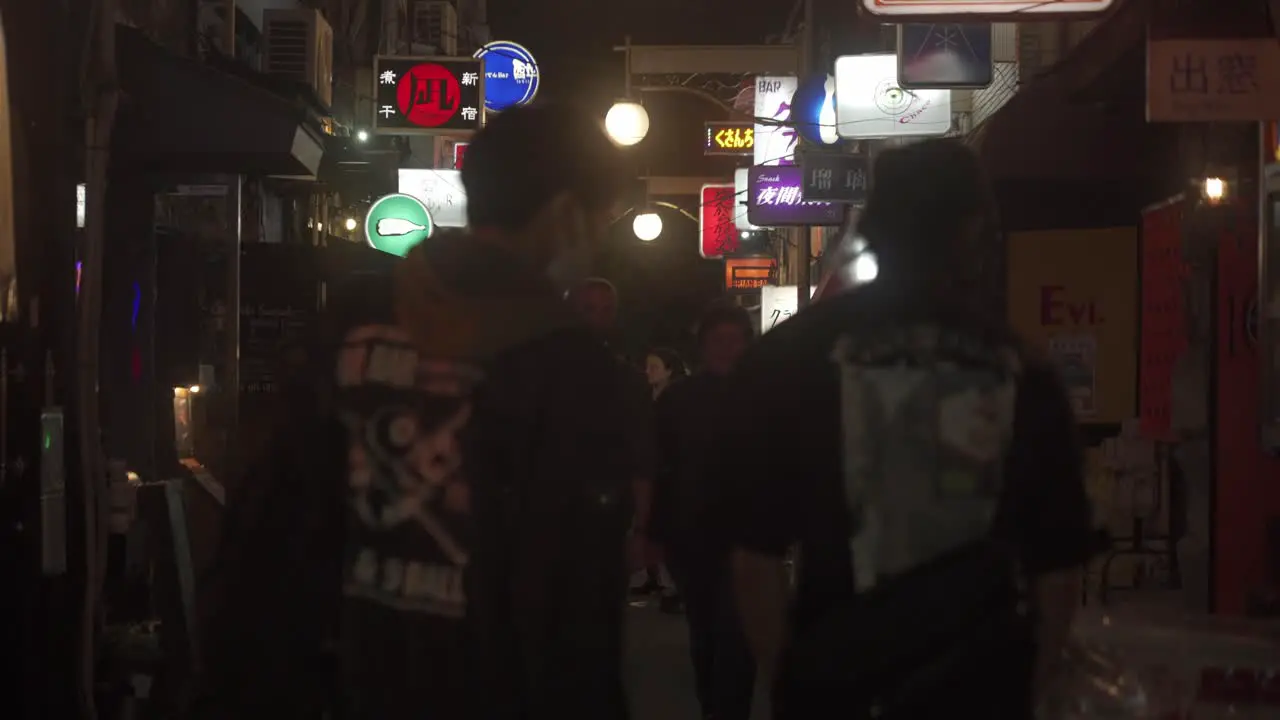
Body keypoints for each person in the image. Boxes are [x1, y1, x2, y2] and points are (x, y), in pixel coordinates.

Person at [195, 103, 636, 720]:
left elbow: (266, 518)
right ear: (565, 216)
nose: (596, 245)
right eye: (598, 222)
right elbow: (572, 609)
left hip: (331, 683)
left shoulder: (355, 313)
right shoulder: (570, 366)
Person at [723, 139, 1101, 718]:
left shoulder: (789, 357)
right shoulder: (1023, 368)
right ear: (975, 231)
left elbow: (755, 558)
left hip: (839, 678)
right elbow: (1058, 564)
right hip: (981, 685)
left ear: (870, 222)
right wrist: (1032, 684)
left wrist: (788, 682)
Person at [652, 302, 756, 720]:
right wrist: (653, 530)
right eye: (718, 341)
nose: (727, 350)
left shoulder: (766, 396)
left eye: (735, 341)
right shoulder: (678, 400)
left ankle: (725, 711)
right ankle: (715, 706)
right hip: (692, 536)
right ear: (703, 347)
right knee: (706, 632)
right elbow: (658, 467)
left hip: (749, 538)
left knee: (736, 634)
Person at [567, 277, 660, 581]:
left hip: (605, 516)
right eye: (589, 309)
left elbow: (642, 458)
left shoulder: (627, 380)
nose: (597, 317)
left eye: (605, 310)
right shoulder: (543, 375)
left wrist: (643, 529)